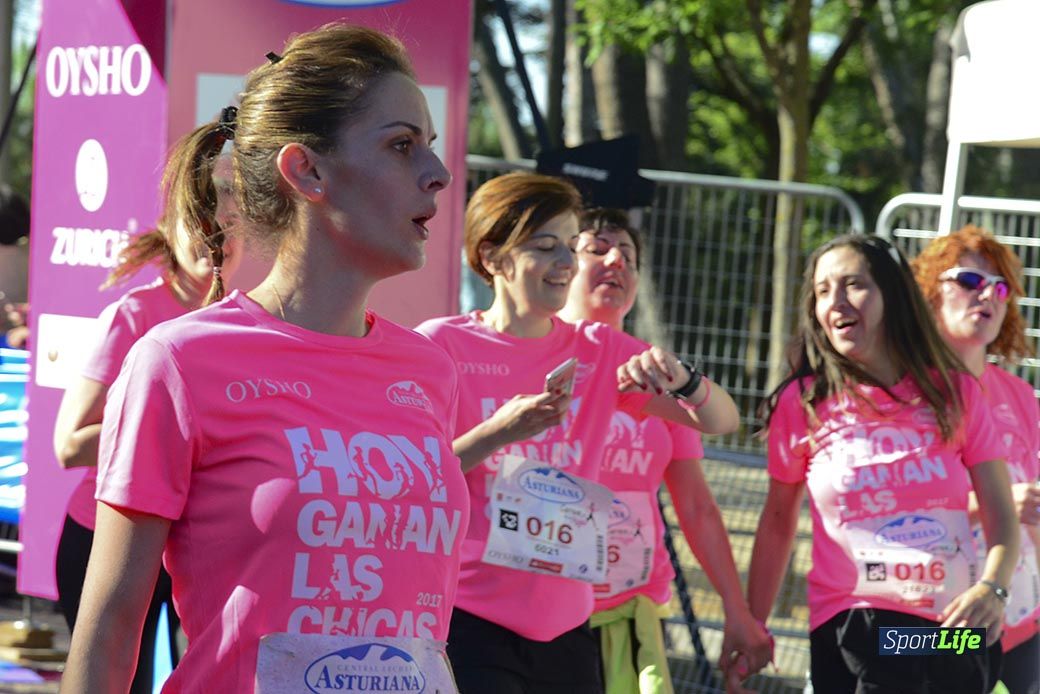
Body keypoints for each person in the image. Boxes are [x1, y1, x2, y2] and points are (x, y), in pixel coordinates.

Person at [60, 23, 463, 693]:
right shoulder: (179, 362)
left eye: (431, 145)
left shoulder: (428, 370)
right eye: (402, 145)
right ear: (307, 170)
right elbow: (107, 634)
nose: (439, 174)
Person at [416, 173, 741, 693]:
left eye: (570, 246)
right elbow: (415, 479)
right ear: (493, 257)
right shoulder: (441, 345)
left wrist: (683, 379)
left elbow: (721, 420)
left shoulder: (600, 349)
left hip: (567, 626)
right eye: (545, 246)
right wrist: (498, 432)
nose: (565, 262)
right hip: (470, 620)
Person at [739, 233, 1019, 694]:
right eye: (823, 291)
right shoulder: (804, 402)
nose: (836, 301)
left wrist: (994, 588)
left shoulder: (957, 393)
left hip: (953, 628)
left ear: (891, 295)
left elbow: (1001, 516)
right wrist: (752, 626)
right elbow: (776, 521)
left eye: (853, 284)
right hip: (859, 625)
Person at [52, 127, 244, 694]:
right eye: (199, 226)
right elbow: (68, 444)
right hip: (108, 540)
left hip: (194, 544)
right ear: (171, 228)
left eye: (226, 227)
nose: (213, 241)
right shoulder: (134, 315)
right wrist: (161, 417)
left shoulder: (240, 321)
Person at [557, 207, 771, 694]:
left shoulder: (654, 373)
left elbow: (695, 506)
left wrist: (736, 612)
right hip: (546, 610)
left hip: (631, 608)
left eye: (628, 256)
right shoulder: (535, 356)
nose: (616, 261)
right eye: (597, 249)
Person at [912, 225, 1040, 694]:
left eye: (999, 288)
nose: (986, 293)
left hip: (1019, 620)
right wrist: (995, 503)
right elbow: (885, 510)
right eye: (969, 280)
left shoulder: (1019, 395)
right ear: (930, 293)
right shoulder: (902, 393)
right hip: (930, 621)